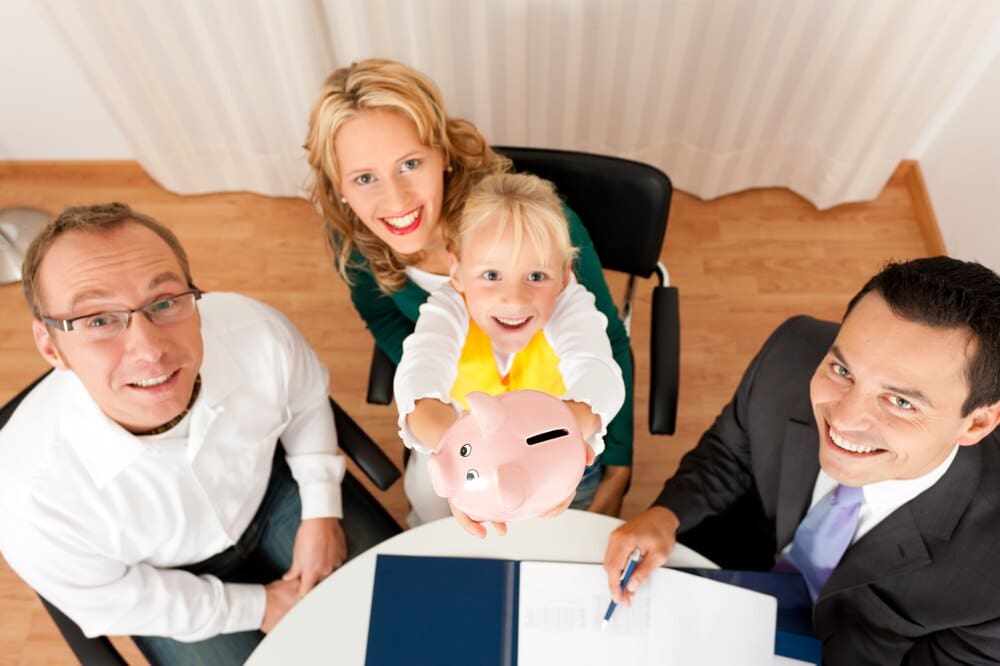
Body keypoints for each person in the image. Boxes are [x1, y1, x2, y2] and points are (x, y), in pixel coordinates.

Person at [0, 203, 396, 665]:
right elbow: (110, 598)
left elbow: (307, 400)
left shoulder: (254, 330)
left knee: (408, 620)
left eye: (165, 302)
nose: (150, 350)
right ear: (51, 345)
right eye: (98, 320)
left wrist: (322, 509)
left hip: (273, 496)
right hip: (162, 581)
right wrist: (261, 605)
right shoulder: (24, 497)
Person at [603, 256, 1000, 664]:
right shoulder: (788, 355)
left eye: (900, 401)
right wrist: (666, 514)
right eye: (843, 370)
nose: (842, 420)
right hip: (730, 568)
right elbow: (728, 451)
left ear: (976, 424)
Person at [304, 58, 634, 518]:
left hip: (556, 425)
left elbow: (606, 346)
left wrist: (616, 469)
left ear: (443, 154)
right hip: (461, 422)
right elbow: (394, 332)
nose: (395, 201)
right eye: (364, 178)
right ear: (338, 187)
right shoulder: (356, 245)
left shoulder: (536, 231)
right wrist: (465, 445)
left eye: (410, 164)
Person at [393, 173, 625, 533]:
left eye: (535, 276)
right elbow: (418, 378)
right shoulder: (448, 308)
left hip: (554, 449)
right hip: (457, 446)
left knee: (554, 532)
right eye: (491, 275)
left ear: (564, 277)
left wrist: (562, 450)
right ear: (456, 272)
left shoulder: (571, 306)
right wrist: (467, 459)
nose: (514, 299)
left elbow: (598, 375)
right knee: (430, 513)